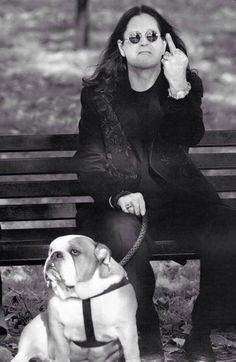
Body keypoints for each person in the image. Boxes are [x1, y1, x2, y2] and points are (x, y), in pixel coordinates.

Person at [75, 5, 236, 362]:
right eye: (135, 37)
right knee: (120, 231)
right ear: (121, 47)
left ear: (165, 45)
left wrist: (179, 86)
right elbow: (88, 160)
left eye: (152, 36)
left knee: (229, 226)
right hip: (125, 204)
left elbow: (190, 134)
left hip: (181, 200)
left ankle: (202, 333)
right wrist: (118, 196)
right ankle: (145, 335)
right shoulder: (99, 94)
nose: (144, 42)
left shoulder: (183, 84)